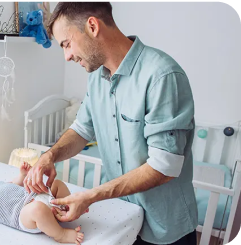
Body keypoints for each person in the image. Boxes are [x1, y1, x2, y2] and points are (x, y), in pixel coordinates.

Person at [23, 1, 198, 245]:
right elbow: (82, 129)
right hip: (123, 217)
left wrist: (91, 196)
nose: (67, 56)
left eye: (66, 44)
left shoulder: (161, 76)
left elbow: (164, 166)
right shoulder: (97, 77)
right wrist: (50, 156)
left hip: (164, 228)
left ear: (92, 26)